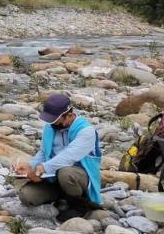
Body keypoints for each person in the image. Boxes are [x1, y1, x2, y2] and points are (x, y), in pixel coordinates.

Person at [15, 94, 102, 222]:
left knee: (66, 172)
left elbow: (69, 156)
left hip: (78, 177)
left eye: (55, 119)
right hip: (53, 177)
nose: (52, 123)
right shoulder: (50, 127)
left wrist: (42, 168)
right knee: (26, 196)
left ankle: (79, 205)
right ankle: (61, 197)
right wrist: (30, 166)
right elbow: (43, 152)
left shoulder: (86, 131)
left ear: (68, 115)